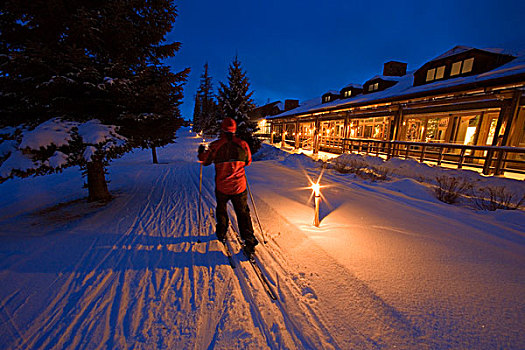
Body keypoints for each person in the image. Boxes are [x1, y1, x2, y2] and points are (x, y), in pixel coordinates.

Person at [198, 118, 258, 257]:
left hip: (222, 186)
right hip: (239, 186)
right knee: (243, 213)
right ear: (234, 129)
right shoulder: (243, 145)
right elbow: (248, 161)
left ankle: (221, 231)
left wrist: (201, 152)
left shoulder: (215, 145)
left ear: (222, 129)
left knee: (221, 208)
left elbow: (205, 161)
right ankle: (249, 240)